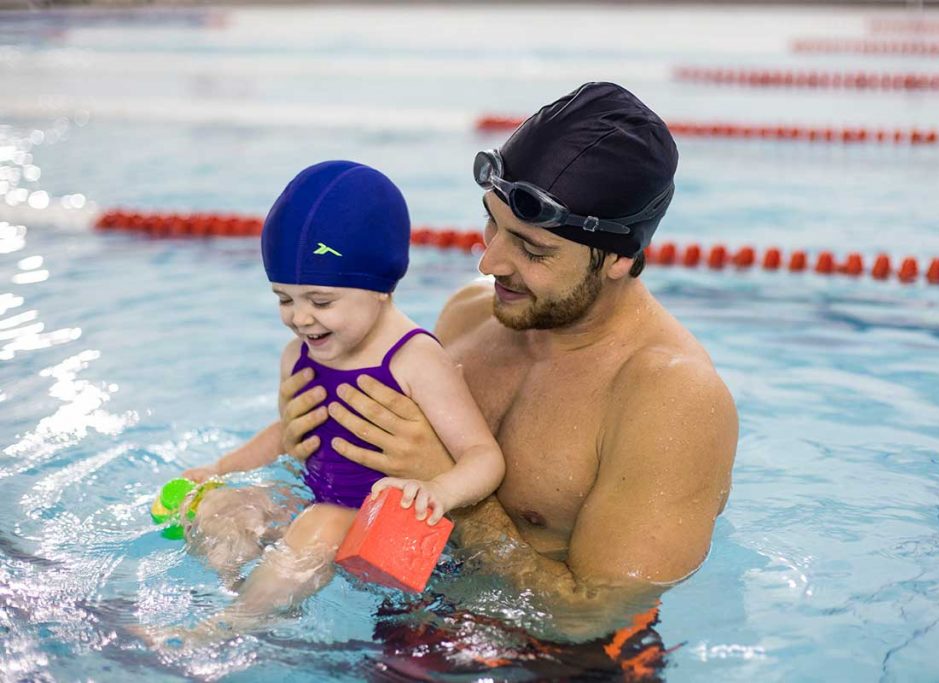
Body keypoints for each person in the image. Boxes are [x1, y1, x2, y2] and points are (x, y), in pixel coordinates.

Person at [276, 82, 739, 650]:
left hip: (559, 661)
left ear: (620, 257)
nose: (489, 260)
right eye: (491, 223)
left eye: (532, 248)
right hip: (416, 613)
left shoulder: (670, 400)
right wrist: (305, 433)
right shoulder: (471, 316)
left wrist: (454, 493)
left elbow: (592, 617)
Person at [170, 160, 505, 638]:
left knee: (321, 523)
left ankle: (231, 626)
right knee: (223, 505)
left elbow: (483, 455)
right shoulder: (299, 355)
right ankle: (235, 591)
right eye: (284, 299)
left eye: (320, 301)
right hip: (316, 508)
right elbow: (290, 433)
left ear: (380, 287)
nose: (300, 318)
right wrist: (221, 468)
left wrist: (439, 492)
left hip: (394, 535)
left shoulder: (414, 359)